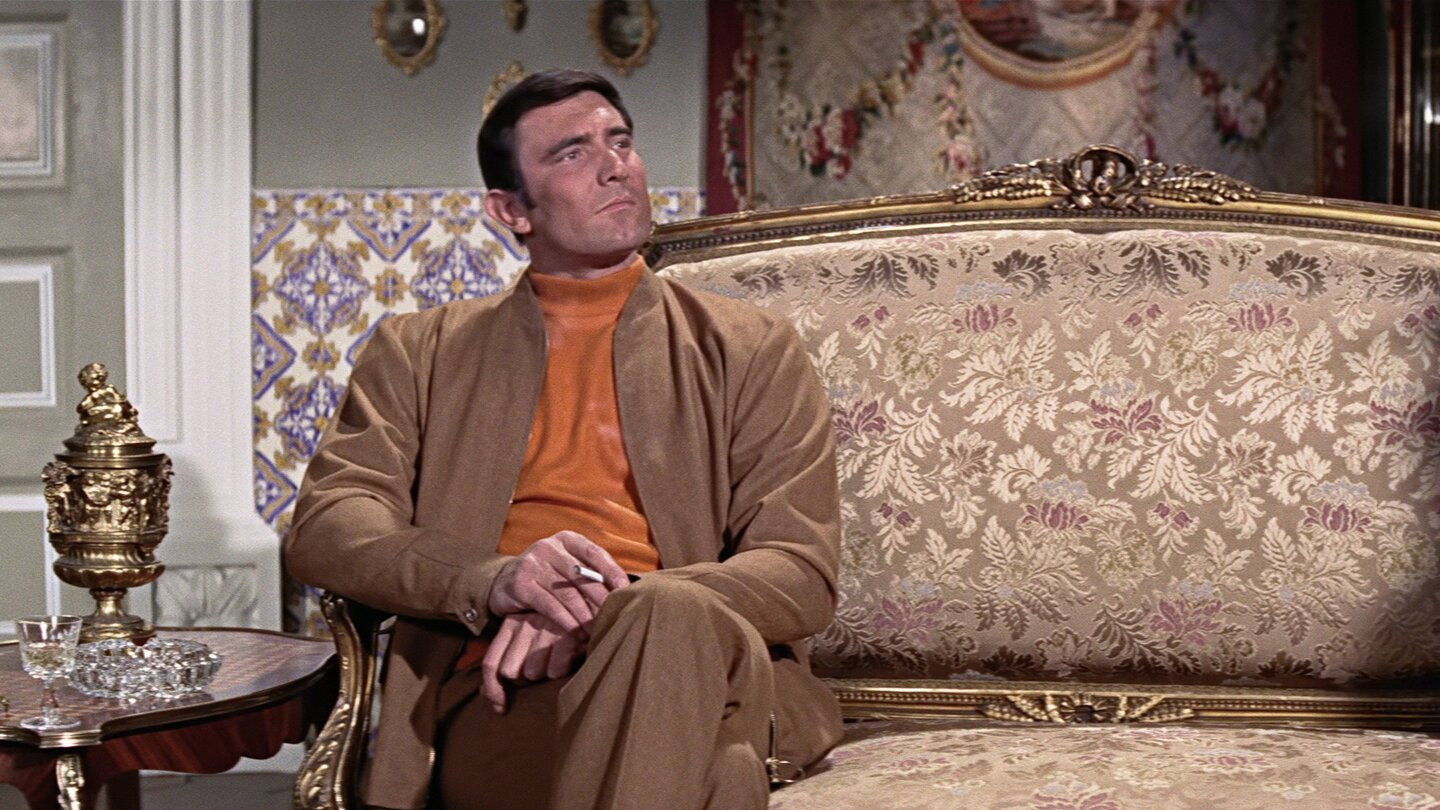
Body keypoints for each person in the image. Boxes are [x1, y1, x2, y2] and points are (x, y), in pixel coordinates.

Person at [284, 69, 843, 810]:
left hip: (715, 668)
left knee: (665, 615)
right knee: (723, 776)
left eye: (621, 141)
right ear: (511, 209)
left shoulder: (750, 346)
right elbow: (329, 526)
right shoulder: (420, 352)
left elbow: (800, 572)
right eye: (573, 153)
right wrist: (494, 582)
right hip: (508, 685)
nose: (616, 166)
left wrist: (609, 611)